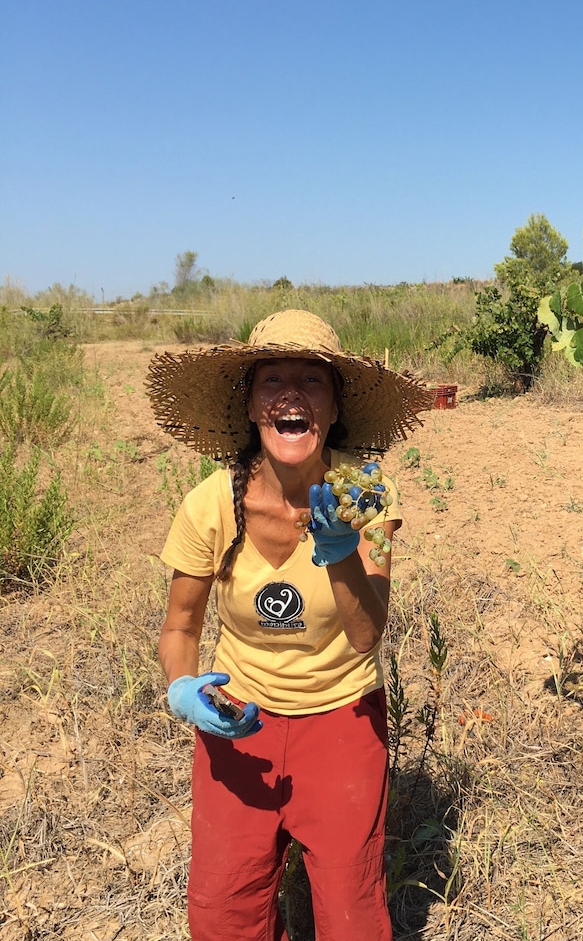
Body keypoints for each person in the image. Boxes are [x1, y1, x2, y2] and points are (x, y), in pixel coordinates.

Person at [145, 308, 433, 941]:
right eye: (272, 380)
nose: (291, 396)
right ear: (251, 406)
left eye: (312, 380)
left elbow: (367, 635)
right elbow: (180, 628)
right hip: (240, 718)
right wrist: (182, 688)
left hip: (342, 717)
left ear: (334, 408)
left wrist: (340, 554)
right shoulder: (210, 503)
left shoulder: (365, 494)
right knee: (222, 916)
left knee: (353, 918)